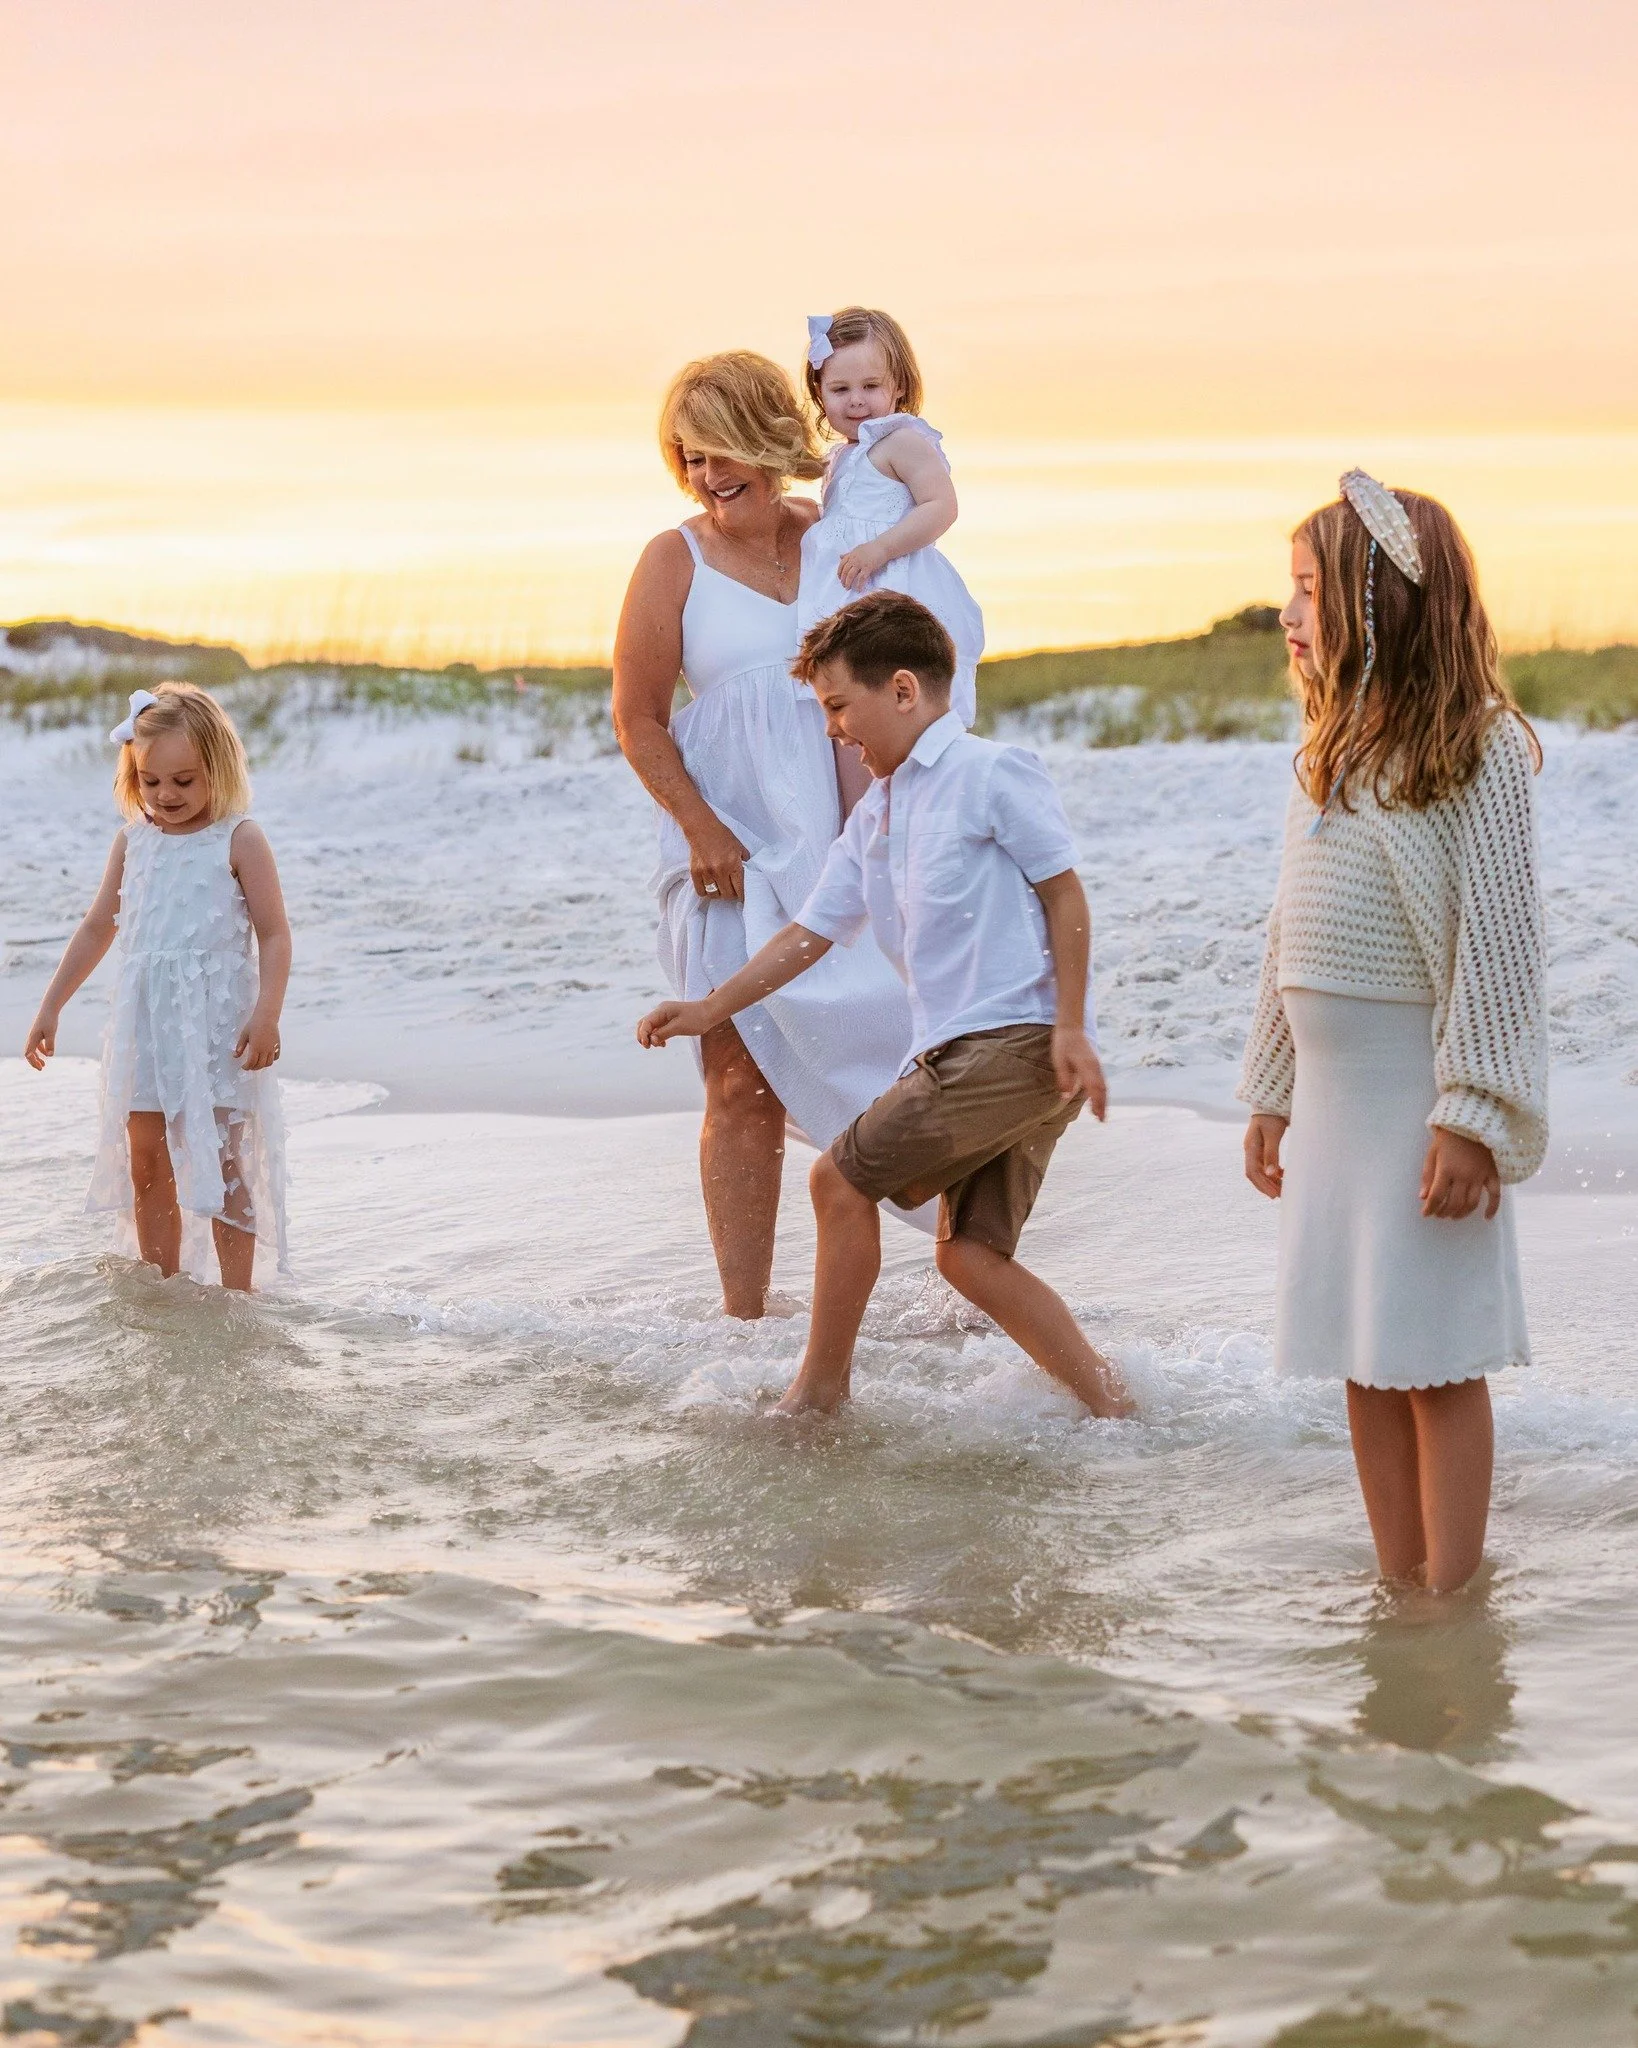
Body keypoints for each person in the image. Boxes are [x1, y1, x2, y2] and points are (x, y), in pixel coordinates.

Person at [638, 591, 1134, 1422]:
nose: (833, 731)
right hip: (978, 1055)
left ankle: (818, 1397)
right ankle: (1119, 1412)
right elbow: (809, 935)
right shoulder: (876, 813)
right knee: (969, 1258)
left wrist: (1073, 1028)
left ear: (903, 690)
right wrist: (708, 1007)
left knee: (838, 1181)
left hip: (1014, 1046)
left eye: (838, 707)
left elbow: (1065, 895)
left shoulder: (989, 772)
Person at [1239, 472, 1547, 1594]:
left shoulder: (1478, 748)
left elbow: (1499, 945)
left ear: (1382, 600)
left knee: (1434, 1354)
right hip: (1331, 1105)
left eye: (1310, 589)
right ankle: (1398, 1582)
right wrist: (1271, 1085)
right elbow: (1287, 932)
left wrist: (1472, 1114)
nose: (1289, 612)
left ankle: (1453, 1594)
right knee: (1361, 1355)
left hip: (1416, 1098)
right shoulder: (1326, 748)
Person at [613, 351, 920, 1322]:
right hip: (727, 853)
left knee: (897, 1050)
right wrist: (701, 828)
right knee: (739, 1078)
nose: (707, 474)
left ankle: (949, 1283)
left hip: (845, 839)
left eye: (722, 450)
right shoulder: (673, 559)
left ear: (768, 438)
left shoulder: (837, 533)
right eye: (690, 456)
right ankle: (744, 1316)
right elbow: (638, 717)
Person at [25, 682, 291, 1288]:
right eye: (151, 781)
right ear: (133, 776)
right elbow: (99, 926)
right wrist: (51, 1006)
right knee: (146, 1156)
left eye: (184, 781)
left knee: (220, 1158)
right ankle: (164, 1288)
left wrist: (268, 1014)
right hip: (144, 1023)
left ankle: (238, 1294)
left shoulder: (240, 839)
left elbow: (275, 934)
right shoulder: (133, 842)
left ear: (218, 770)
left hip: (216, 1027)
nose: (166, 795)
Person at [798, 307, 984, 733]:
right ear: (820, 394)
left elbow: (941, 505)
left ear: (898, 385)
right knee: (855, 704)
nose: (856, 399)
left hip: (896, 590)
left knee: (901, 697)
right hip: (853, 601)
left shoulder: (901, 441)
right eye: (840, 388)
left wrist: (880, 548)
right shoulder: (841, 457)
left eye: (871, 386)